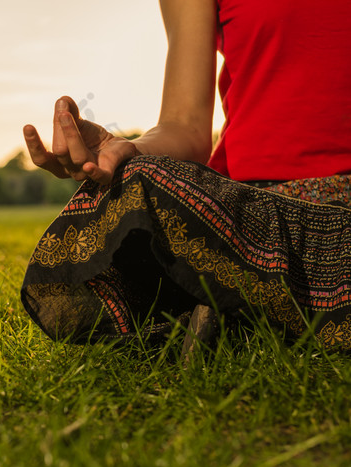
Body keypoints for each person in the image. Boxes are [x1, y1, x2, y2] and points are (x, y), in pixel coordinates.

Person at [20, 0, 351, 350]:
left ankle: (233, 311)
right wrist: (127, 151)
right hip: (255, 215)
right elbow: (185, 125)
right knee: (138, 181)